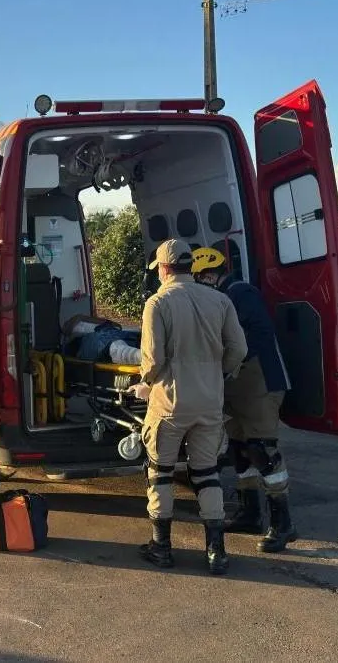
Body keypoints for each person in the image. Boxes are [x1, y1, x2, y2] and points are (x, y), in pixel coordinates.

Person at [130, 239, 247, 574]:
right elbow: (238, 348)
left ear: (164, 268)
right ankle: (216, 552)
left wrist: (145, 384)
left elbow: (152, 360)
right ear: (190, 266)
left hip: (169, 403)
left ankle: (161, 547)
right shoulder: (220, 300)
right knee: (207, 473)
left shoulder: (158, 303)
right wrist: (217, 373)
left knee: (161, 473)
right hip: (210, 401)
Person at [191, 247, 297, 553]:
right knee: (239, 451)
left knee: (262, 450)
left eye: (199, 279)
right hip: (236, 385)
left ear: (210, 275)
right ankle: (250, 513)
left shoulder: (241, 294)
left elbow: (249, 340)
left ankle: (283, 523)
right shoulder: (219, 297)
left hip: (259, 383)